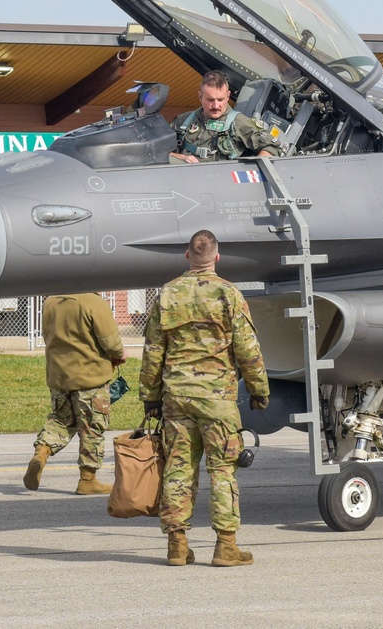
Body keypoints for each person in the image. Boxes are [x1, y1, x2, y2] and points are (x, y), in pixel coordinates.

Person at [140, 229, 270, 567]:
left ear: (187, 256)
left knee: (178, 470)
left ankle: (177, 546)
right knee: (223, 470)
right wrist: (259, 390)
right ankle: (226, 546)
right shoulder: (228, 294)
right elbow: (247, 348)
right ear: (216, 256)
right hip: (217, 399)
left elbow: (153, 350)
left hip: (176, 398)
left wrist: (150, 396)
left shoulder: (167, 294)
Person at [24, 291, 127, 495]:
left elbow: (47, 336)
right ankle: (88, 480)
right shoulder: (94, 302)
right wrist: (118, 355)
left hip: (60, 376)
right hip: (91, 377)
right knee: (92, 427)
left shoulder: (50, 302)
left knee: (61, 419)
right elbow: (111, 341)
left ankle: (41, 453)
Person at [171, 70, 280, 163]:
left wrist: (255, 168)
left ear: (228, 96)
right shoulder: (183, 121)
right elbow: (155, 150)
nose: (216, 105)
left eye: (220, 99)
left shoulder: (239, 122)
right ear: (200, 96)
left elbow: (272, 147)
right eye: (210, 100)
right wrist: (180, 157)